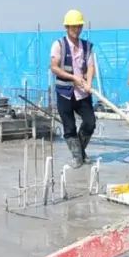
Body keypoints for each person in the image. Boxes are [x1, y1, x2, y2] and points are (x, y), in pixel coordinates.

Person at [50, 9, 97, 167]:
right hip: (65, 92)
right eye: (73, 27)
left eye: (79, 26)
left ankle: (80, 152)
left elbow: (90, 67)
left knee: (90, 122)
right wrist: (73, 78)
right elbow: (54, 67)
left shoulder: (87, 46)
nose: (77, 30)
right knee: (69, 127)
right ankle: (78, 157)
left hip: (83, 93)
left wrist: (88, 82)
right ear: (67, 27)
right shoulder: (59, 45)